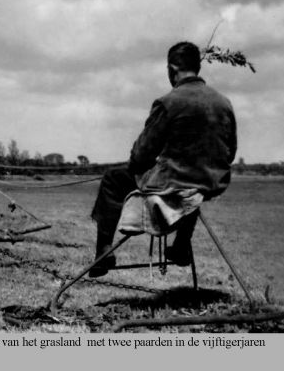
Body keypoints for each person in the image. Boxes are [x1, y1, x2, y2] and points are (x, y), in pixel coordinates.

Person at [89, 41, 237, 278]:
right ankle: (181, 245)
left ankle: (103, 252)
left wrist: (153, 162)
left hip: (174, 183)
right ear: (197, 67)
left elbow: (140, 157)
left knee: (112, 179)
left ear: (172, 68)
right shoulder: (224, 103)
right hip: (210, 184)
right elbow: (230, 151)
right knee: (190, 187)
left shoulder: (169, 102)